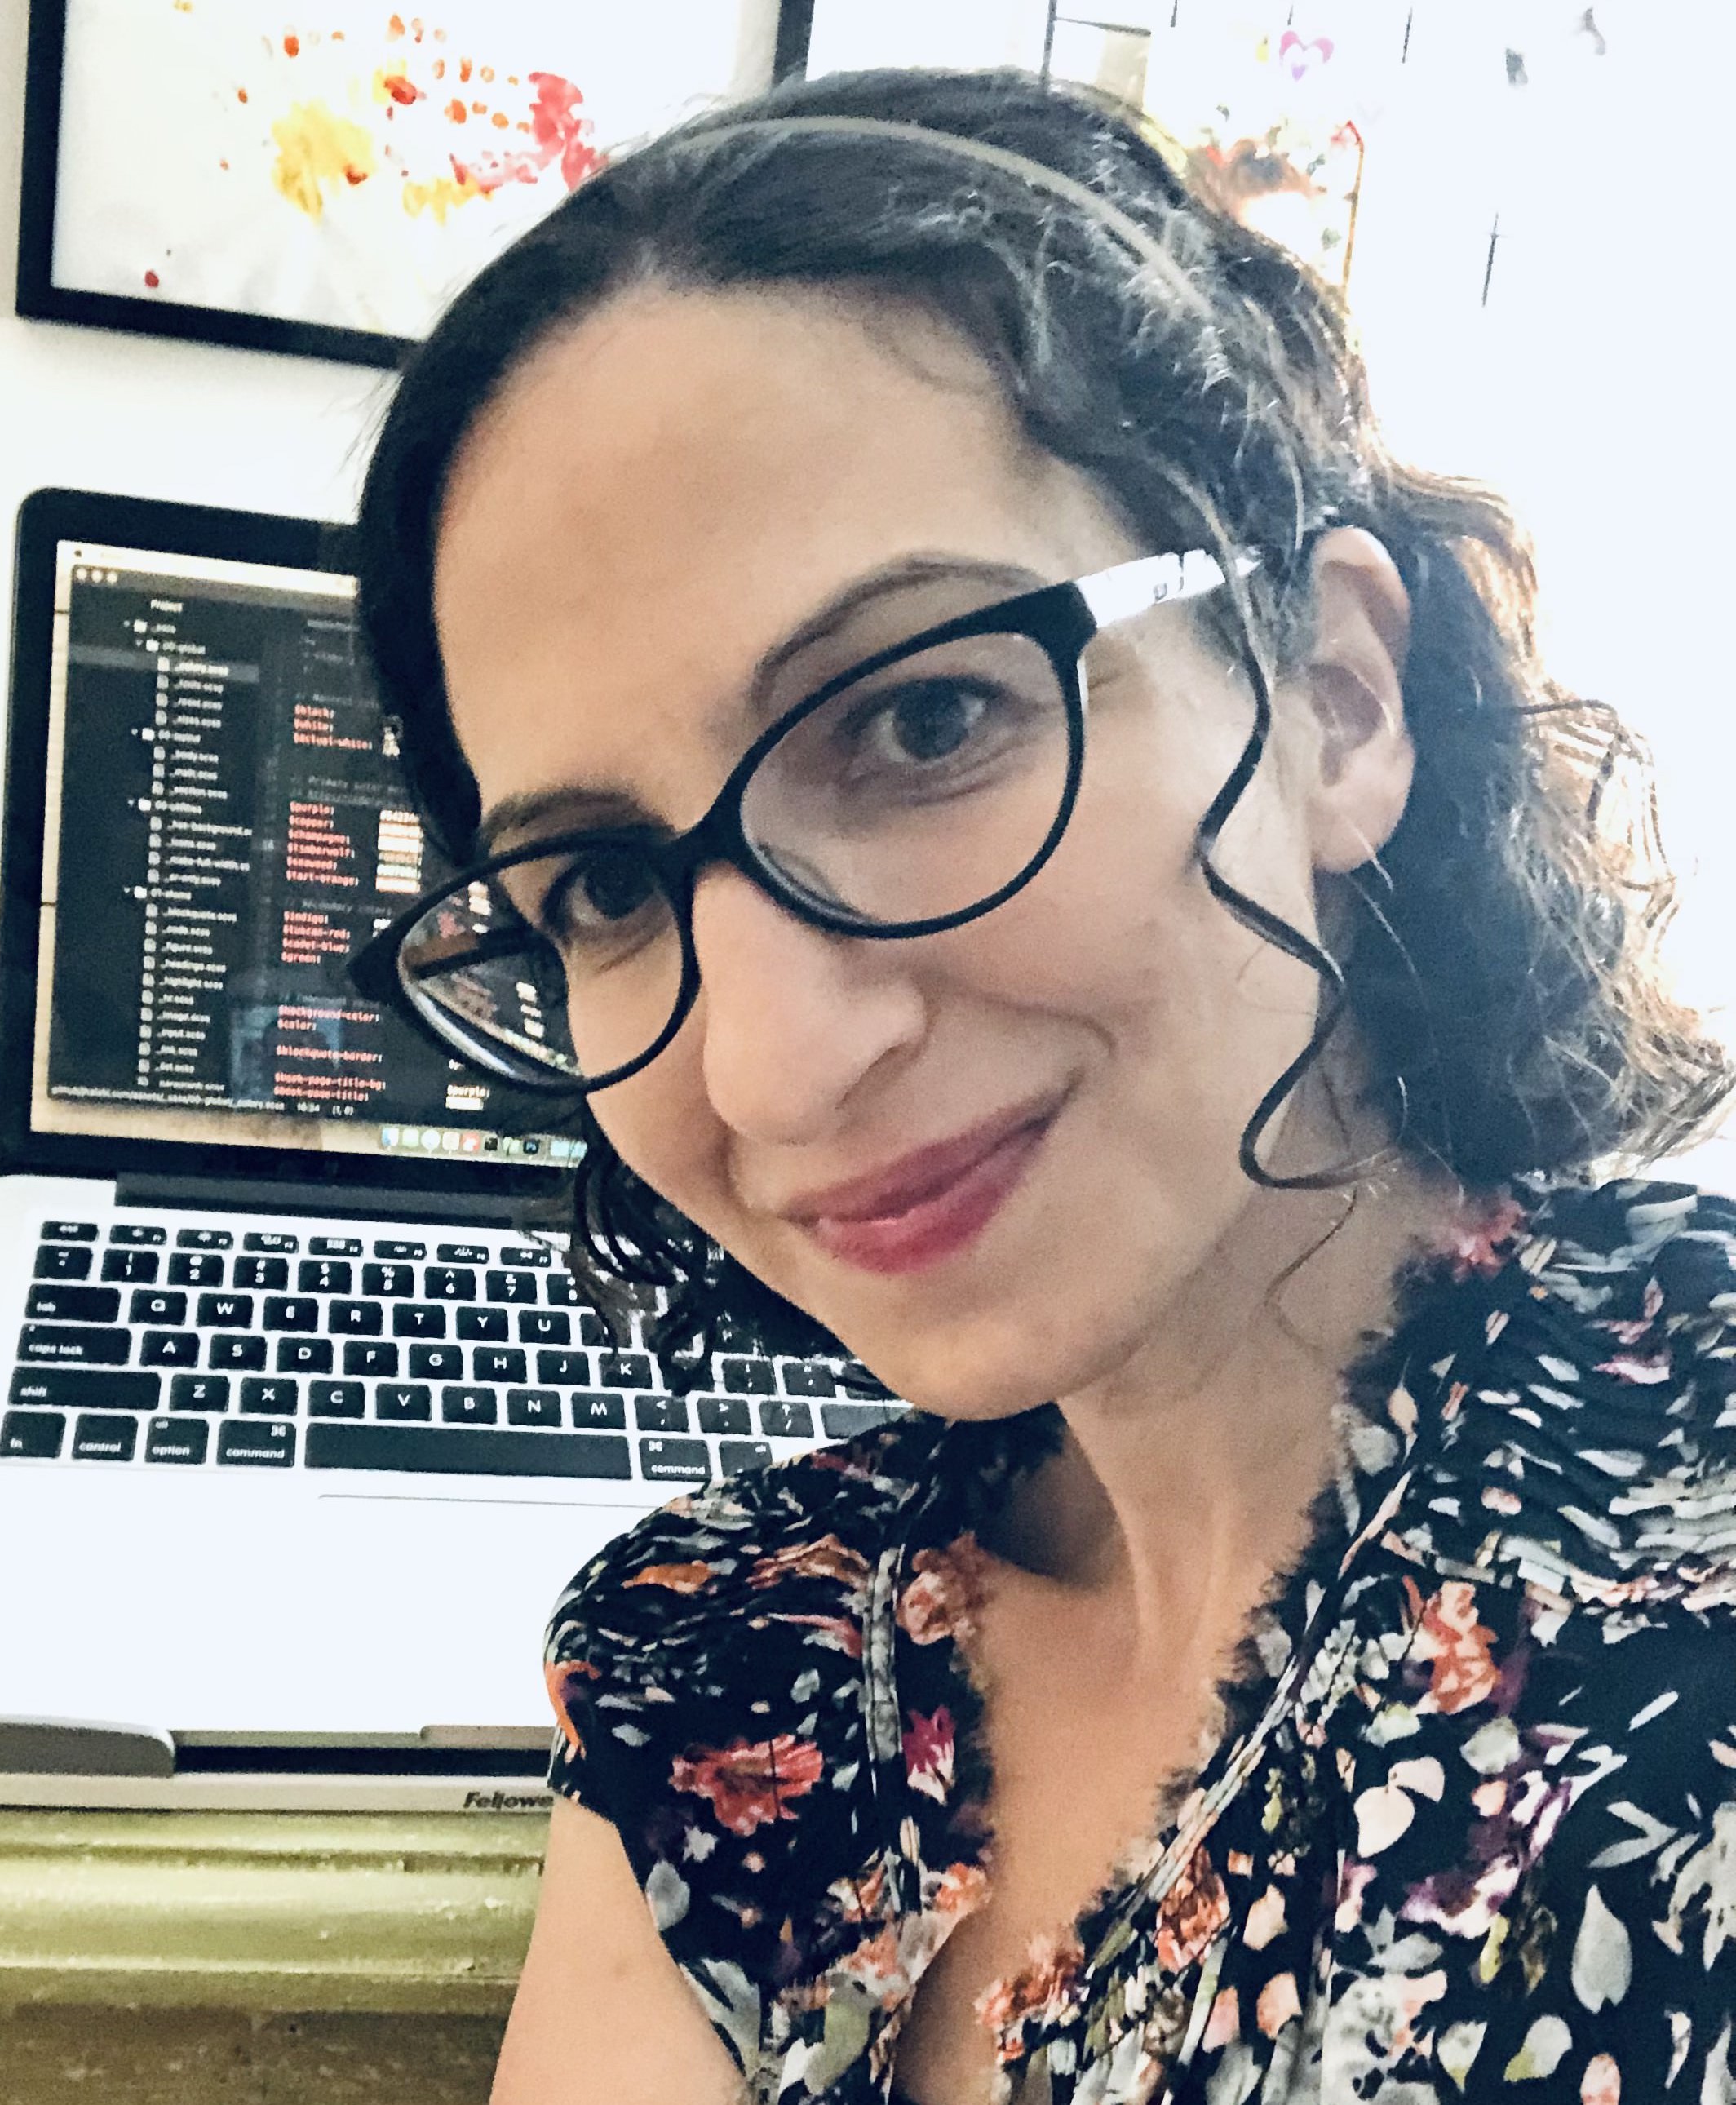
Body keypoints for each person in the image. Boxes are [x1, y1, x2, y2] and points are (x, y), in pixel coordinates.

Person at [350, 64, 1736, 2105]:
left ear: (1332, 698)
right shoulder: (722, 1661)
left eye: (924, 721)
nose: (771, 1064)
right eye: (610, 888)